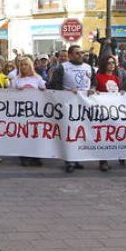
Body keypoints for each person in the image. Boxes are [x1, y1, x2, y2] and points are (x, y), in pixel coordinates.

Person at [49, 45, 93, 173]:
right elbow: (54, 85)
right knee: (70, 133)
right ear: (70, 55)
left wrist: (93, 88)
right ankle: (69, 160)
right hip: (68, 105)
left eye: (82, 53)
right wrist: (66, 91)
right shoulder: (62, 68)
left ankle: (78, 157)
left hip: (84, 105)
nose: (80, 55)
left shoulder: (88, 67)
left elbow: (94, 82)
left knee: (81, 132)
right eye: (77, 53)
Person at [10, 57, 45, 167]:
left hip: (35, 111)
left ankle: (36, 156)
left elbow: (44, 90)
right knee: (24, 133)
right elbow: (9, 94)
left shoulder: (37, 78)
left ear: (30, 66)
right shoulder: (16, 79)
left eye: (26, 64)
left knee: (35, 133)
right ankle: (24, 156)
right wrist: (16, 91)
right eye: (22, 65)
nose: (24, 67)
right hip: (21, 111)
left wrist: (42, 89)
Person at [93, 56, 122, 172]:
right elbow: (94, 89)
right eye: (109, 63)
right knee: (104, 135)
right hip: (102, 111)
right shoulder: (98, 77)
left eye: (113, 63)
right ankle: (103, 161)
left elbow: (120, 91)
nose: (111, 65)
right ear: (104, 64)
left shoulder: (116, 78)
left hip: (115, 111)